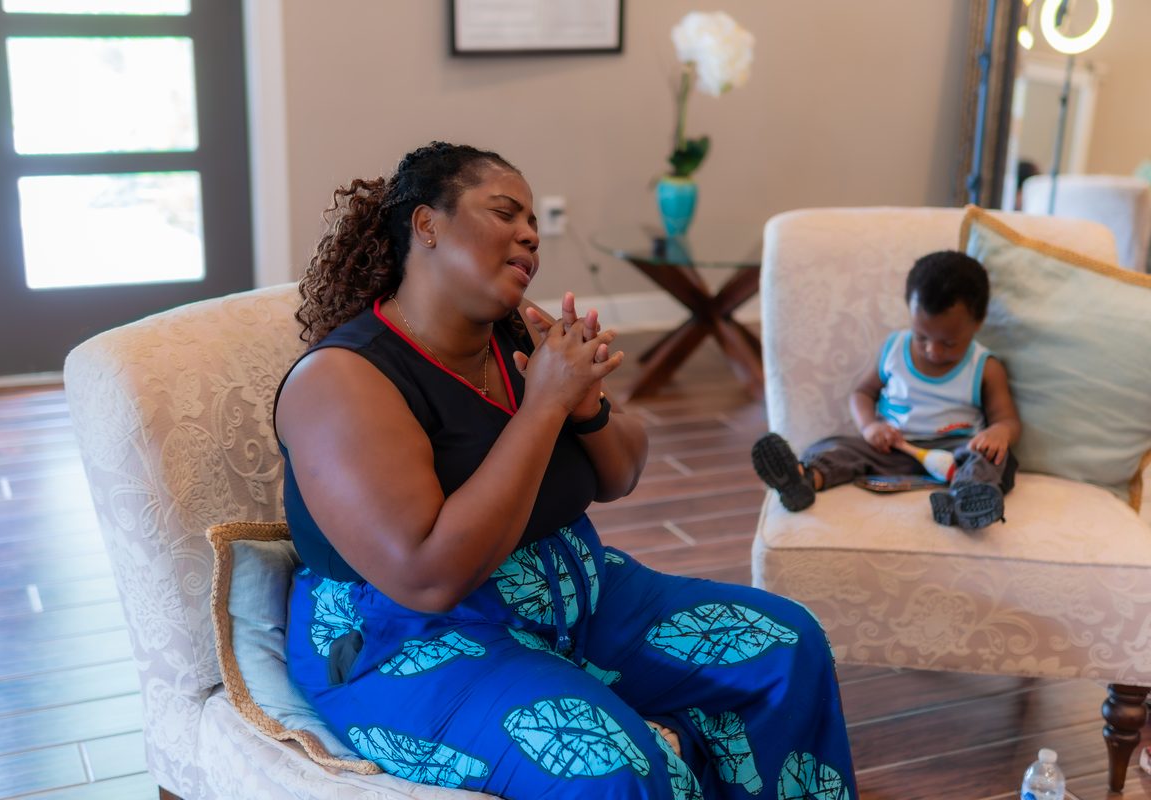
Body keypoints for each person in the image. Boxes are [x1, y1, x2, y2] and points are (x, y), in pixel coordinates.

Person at [274, 141, 858, 799]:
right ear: (426, 223)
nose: (530, 233)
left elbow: (622, 473)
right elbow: (427, 576)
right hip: (411, 644)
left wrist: (586, 405)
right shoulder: (343, 380)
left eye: (532, 221)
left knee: (785, 647)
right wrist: (544, 405)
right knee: (609, 764)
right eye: (504, 212)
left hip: (577, 598)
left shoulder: (522, 336)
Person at [752, 250, 1020, 530]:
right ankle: (803, 480)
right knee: (834, 448)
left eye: (949, 343)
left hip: (957, 454)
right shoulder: (894, 349)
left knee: (995, 460)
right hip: (893, 448)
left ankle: (965, 500)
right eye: (922, 337)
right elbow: (862, 394)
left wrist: (1000, 432)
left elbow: (1008, 420)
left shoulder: (985, 366)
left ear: (978, 322)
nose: (933, 350)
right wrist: (869, 427)